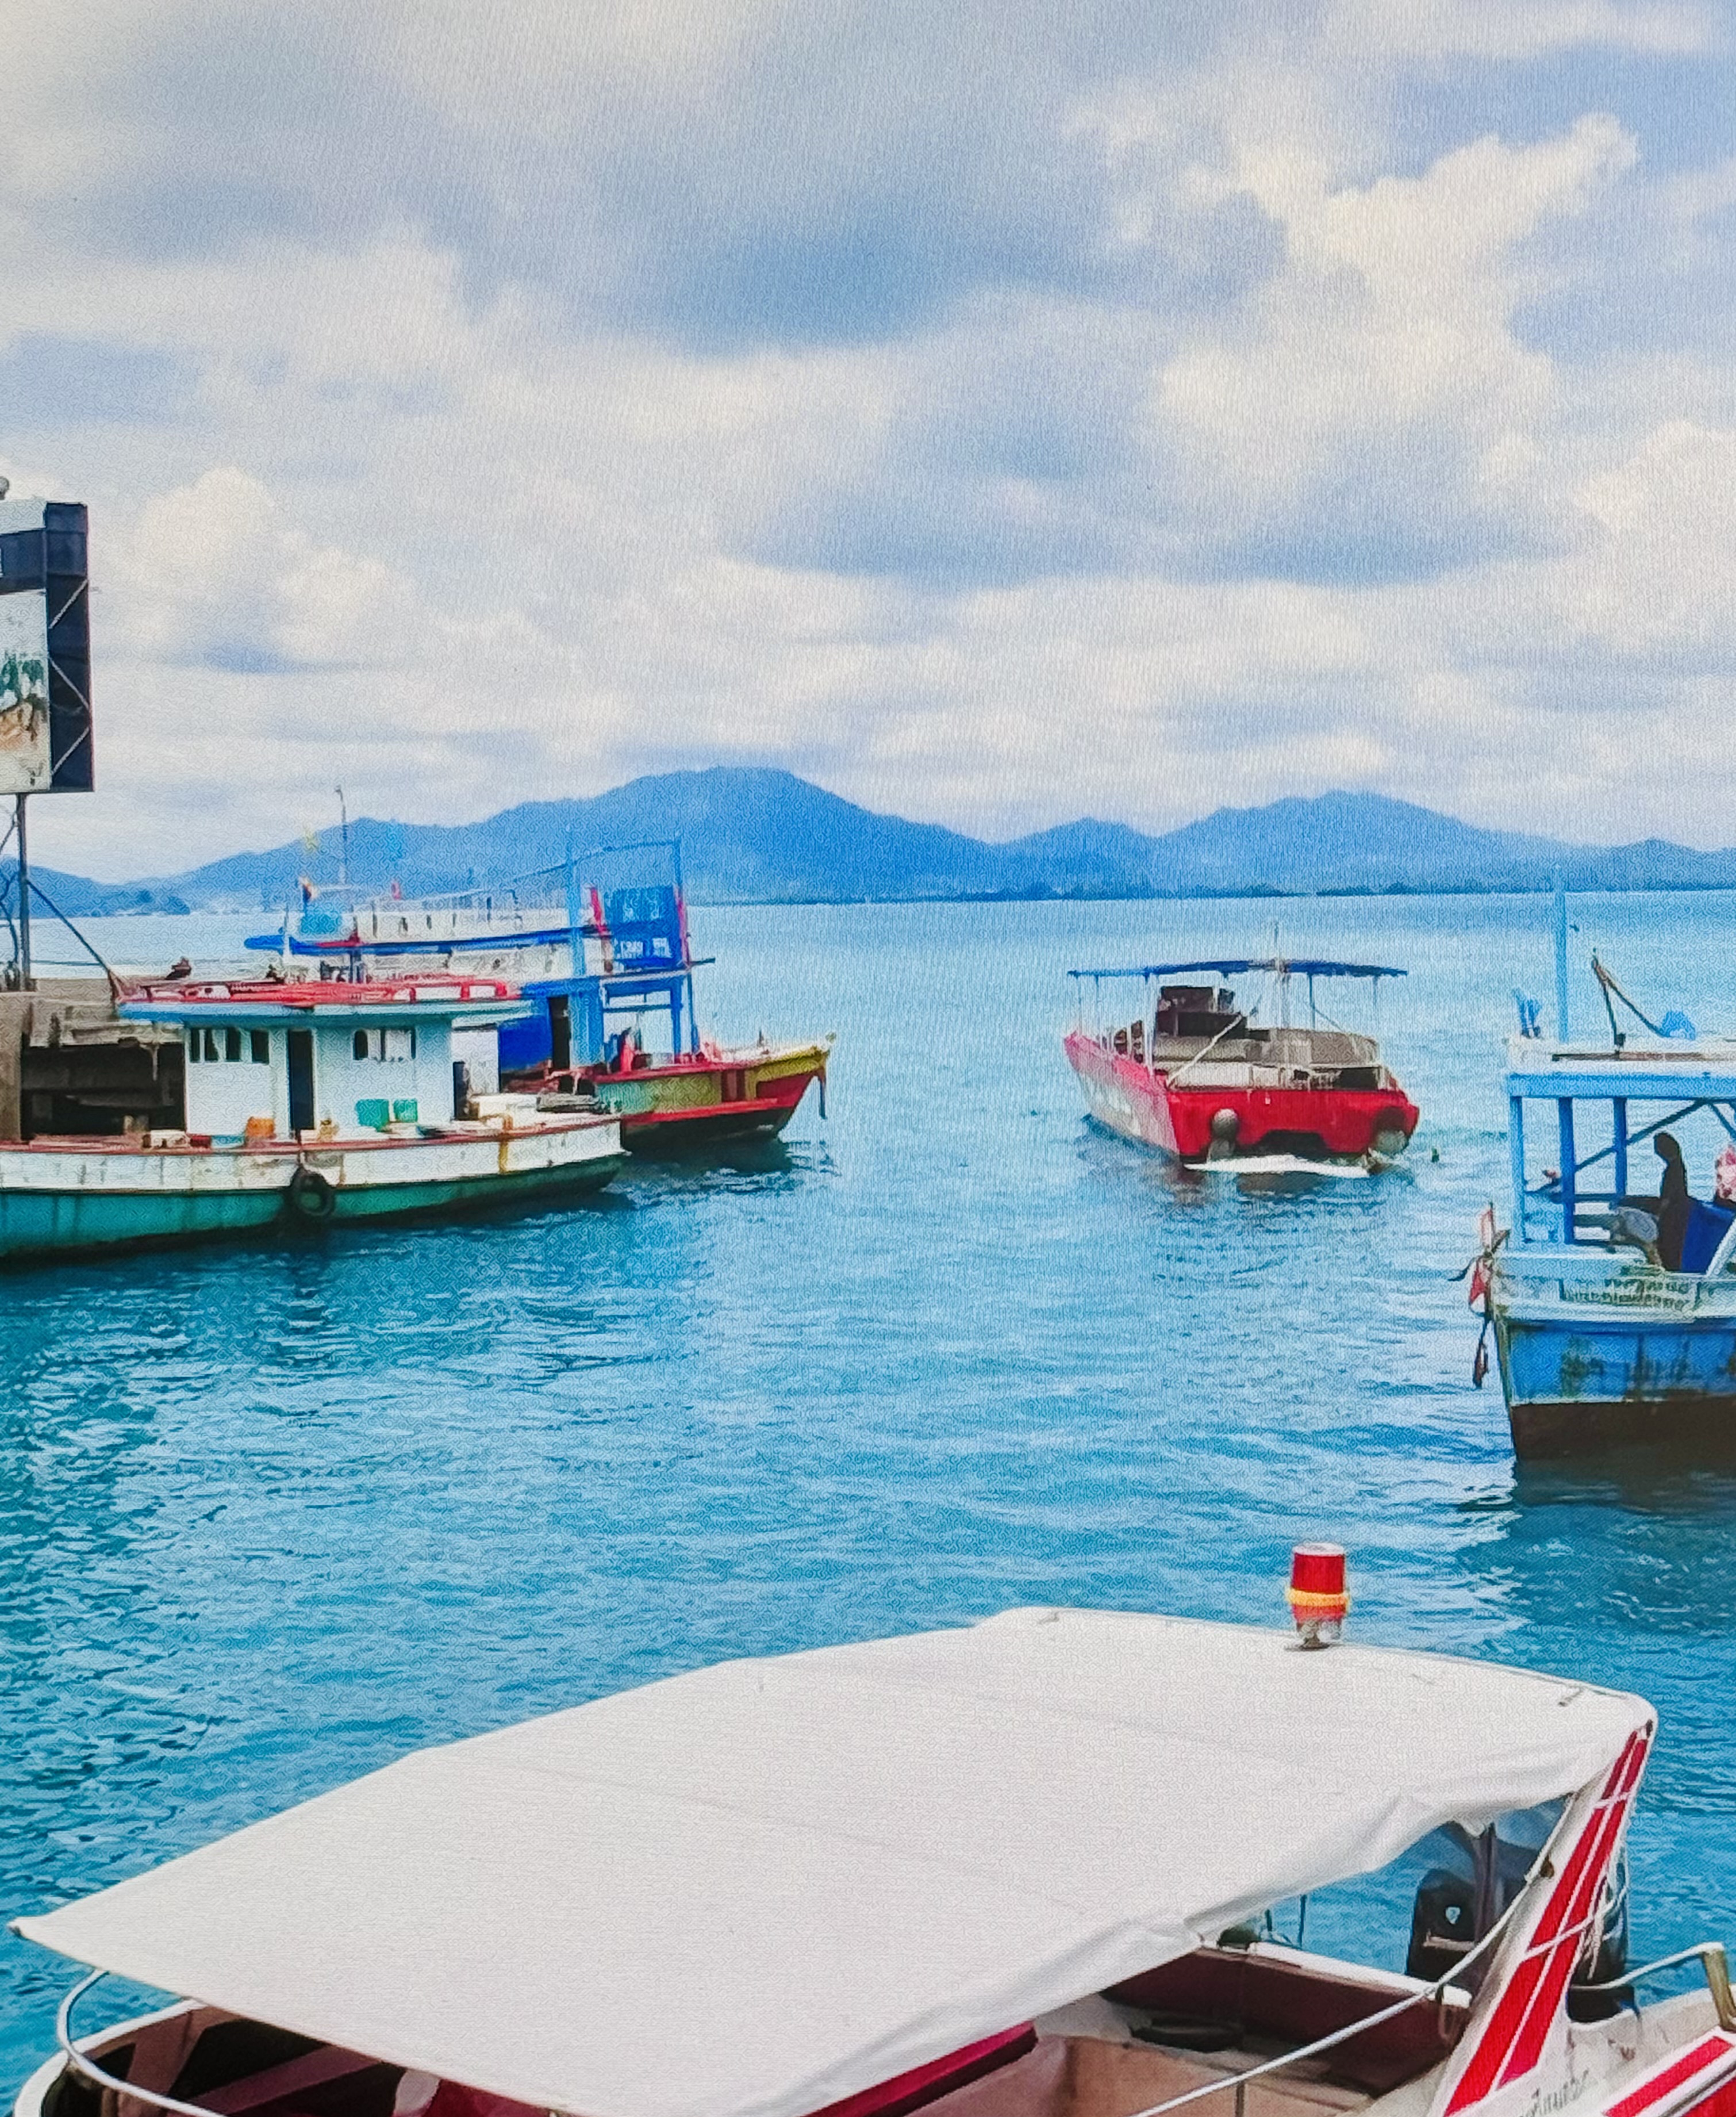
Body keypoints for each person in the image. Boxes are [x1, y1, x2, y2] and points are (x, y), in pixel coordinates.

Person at [1654, 1132, 1691, 1271]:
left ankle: (1669, 1266)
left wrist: (1659, 1215)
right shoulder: (1678, 1166)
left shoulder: (1673, 1170)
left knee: (1669, 1242)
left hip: (1673, 1212)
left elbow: (1668, 1197)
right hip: (1679, 1210)